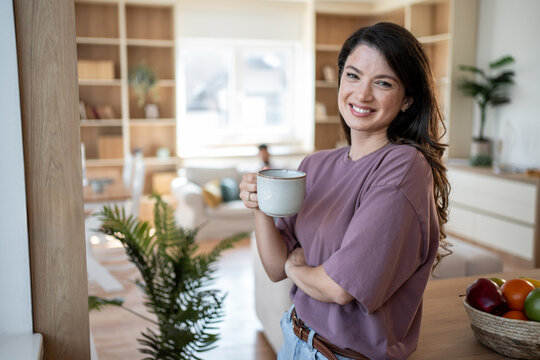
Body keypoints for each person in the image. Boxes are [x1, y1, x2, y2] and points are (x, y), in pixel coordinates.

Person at [239, 22, 450, 360]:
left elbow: (338, 288)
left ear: (408, 98)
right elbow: (275, 266)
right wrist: (260, 206)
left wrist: (297, 266)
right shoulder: (316, 164)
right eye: (353, 76)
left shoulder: (404, 166)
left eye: (383, 83)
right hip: (294, 336)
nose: (362, 94)